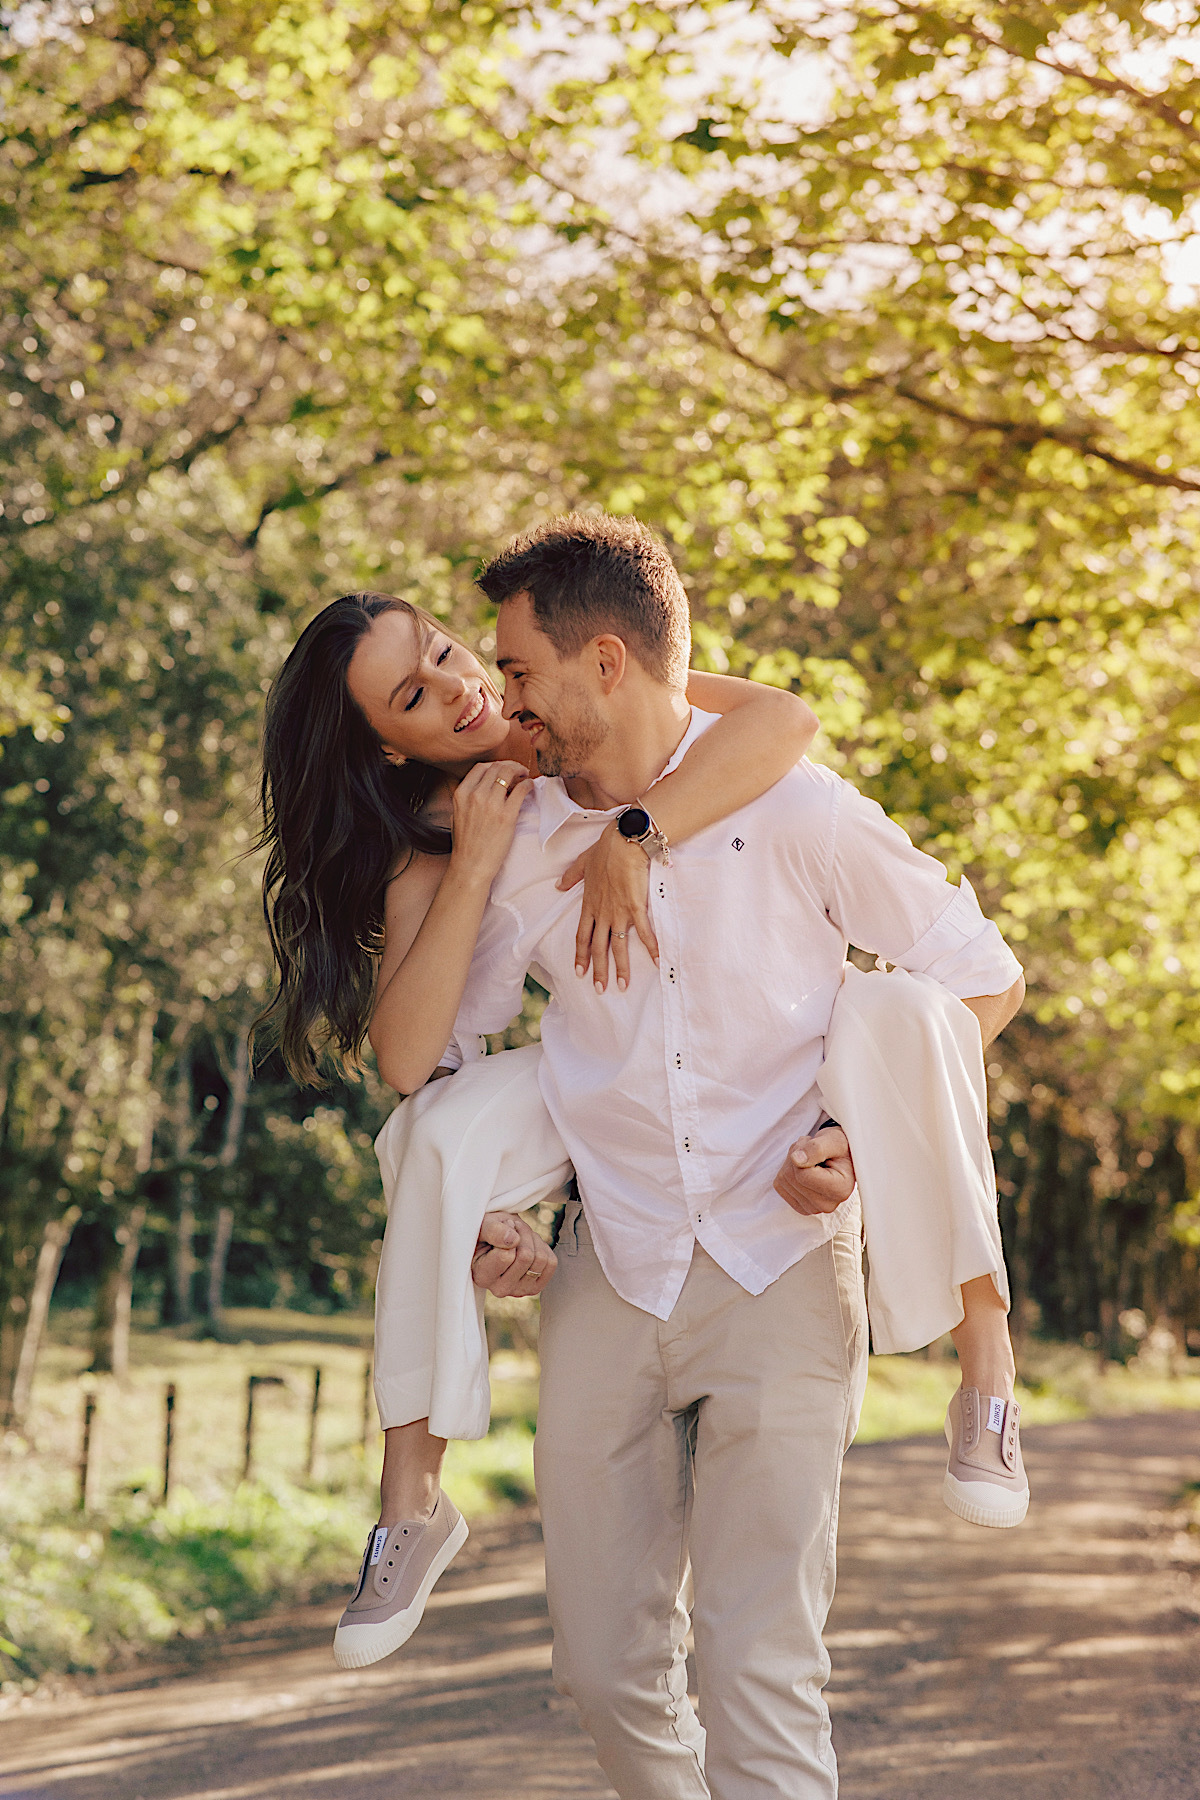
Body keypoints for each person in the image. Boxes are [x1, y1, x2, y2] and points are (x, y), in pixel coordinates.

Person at [422, 512, 1026, 1799]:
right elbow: (452, 1052)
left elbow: (981, 980)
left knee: (761, 1660)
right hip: (609, 1271)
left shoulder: (795, 807)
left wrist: (857, 1140)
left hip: (789, 1269)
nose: (500, 701)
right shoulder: (522, 837)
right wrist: (498, 1213)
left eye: (517, 670)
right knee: (599, 1668)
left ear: (603, 662)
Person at [256, 591, 824, 1668]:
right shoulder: (431, 840)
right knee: (423, 1134)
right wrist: (477, 855)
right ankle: (411, 1502)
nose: (465, 687)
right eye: (416, 697)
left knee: (422, 1145)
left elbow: (785, 721)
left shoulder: (568, 701)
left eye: (445, 651)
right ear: (385, 745)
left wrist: (632, 831)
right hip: (585, 1078)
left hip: (718, 1076)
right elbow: (410, 1058)